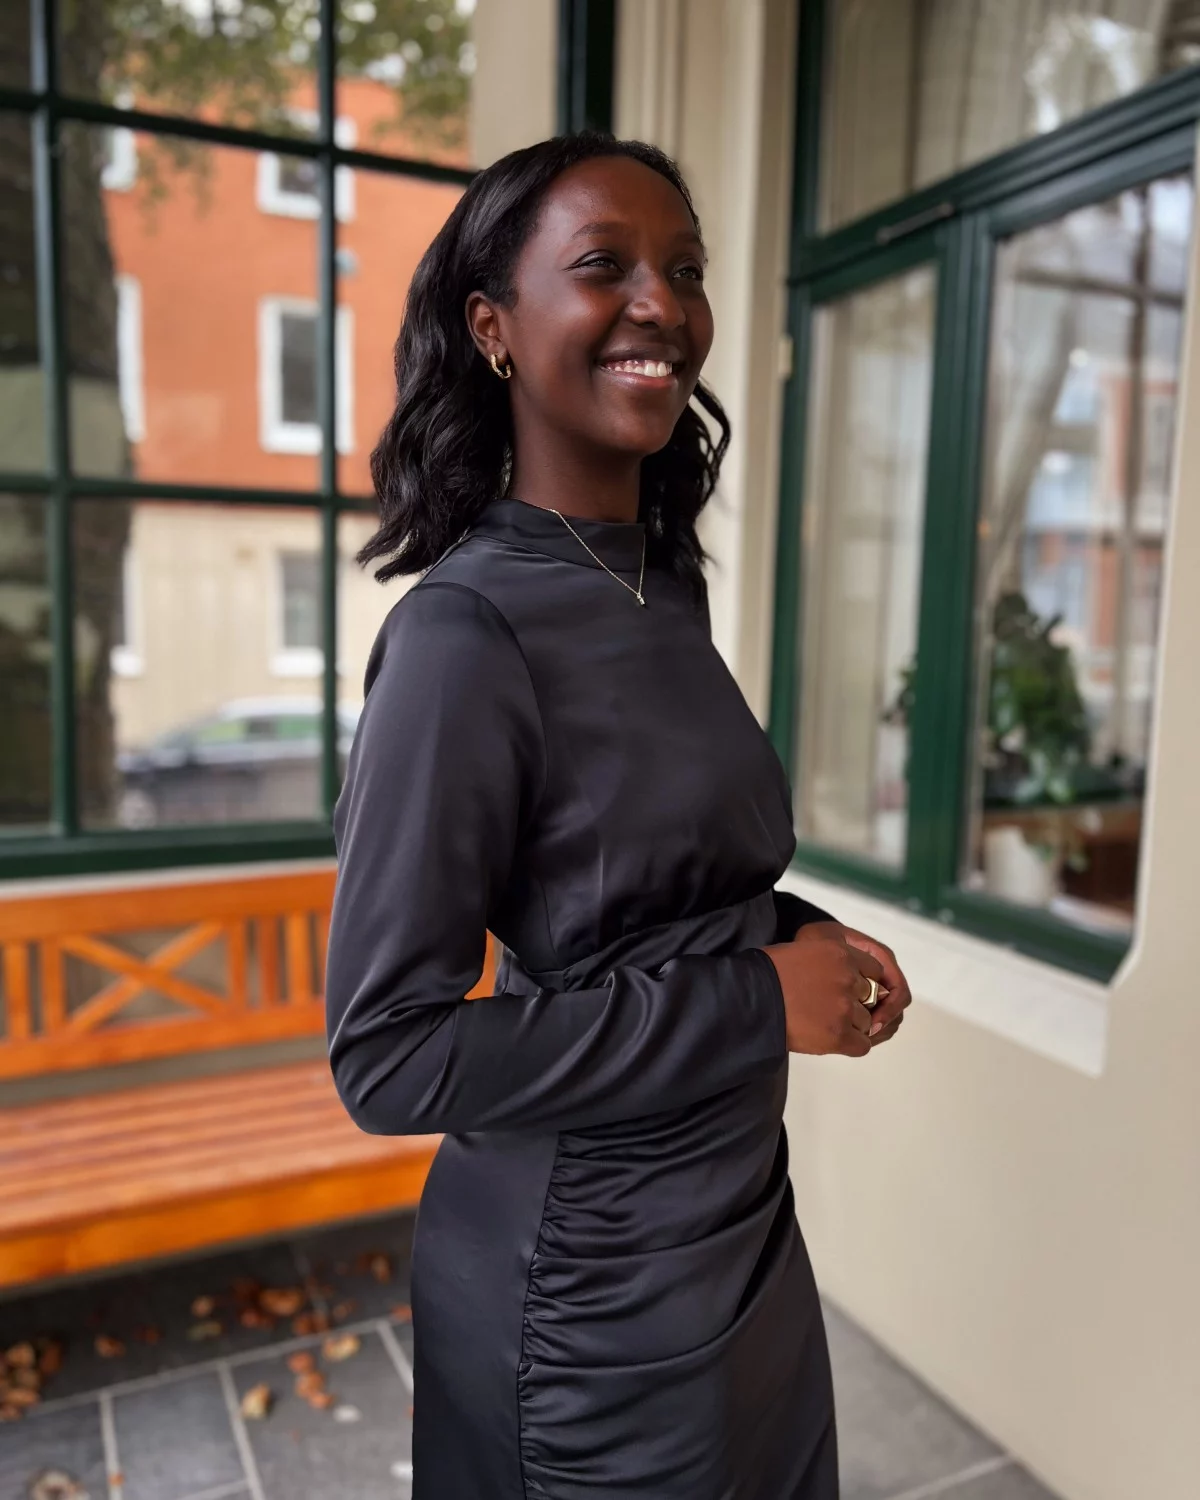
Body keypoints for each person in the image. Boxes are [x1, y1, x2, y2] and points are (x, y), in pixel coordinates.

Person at [325, 131, 912, 1500]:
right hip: (587, 1306)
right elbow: (389, 1057)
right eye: (604, 266)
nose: (662, 304)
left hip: (742, 1237)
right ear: (493, 328)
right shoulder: (463, 636)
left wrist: (799, 936)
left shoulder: (661, 584)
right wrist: (759, 1000)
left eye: (685, 270)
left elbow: (642, 884)